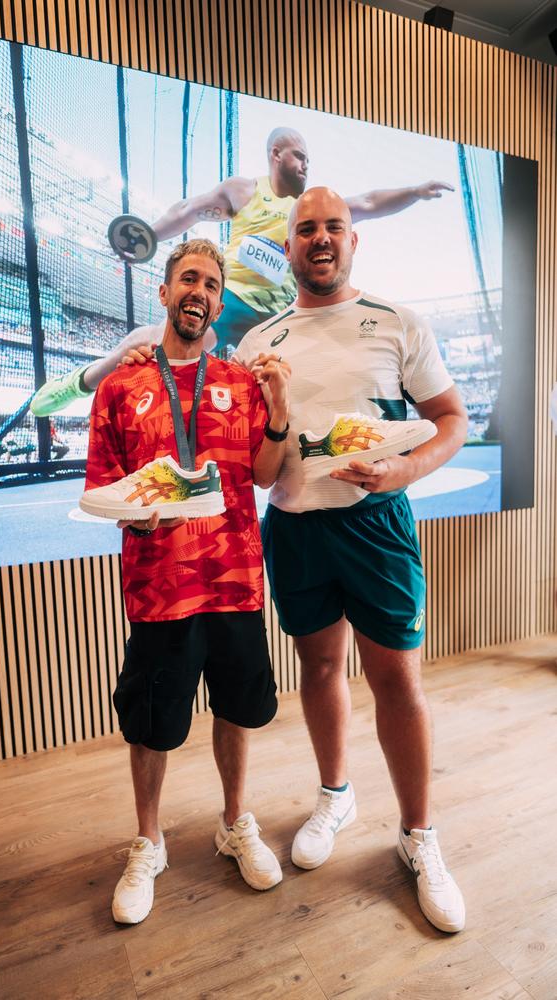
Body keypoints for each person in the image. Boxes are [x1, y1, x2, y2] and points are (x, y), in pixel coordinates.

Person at [234, 186, 469, 934]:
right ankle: (335, 793)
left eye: (335, 226)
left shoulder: (399, 323)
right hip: (296, 528)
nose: (322, 238)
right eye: (308, 229)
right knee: (321, 667)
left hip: (377, 524)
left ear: (354, 240)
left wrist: (405, 471)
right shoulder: (258, 343)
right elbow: (261, 471)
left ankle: (419, 837)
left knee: (397, 675)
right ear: (291, 245)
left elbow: (450, 419)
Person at [83, 238, 291, 925]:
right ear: (165, 292)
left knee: (236, 706)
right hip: (158, 587)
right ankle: (149, 839)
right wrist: (135, 516)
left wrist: (280, 407)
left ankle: (234, 822)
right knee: (151, 722)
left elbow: (264, 474)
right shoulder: (121, 387)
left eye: (211, 283)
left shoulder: (237, 380)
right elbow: (103, 488)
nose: (200, 292)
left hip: (234, 580)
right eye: (188, 279)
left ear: (219, 301)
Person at [30, 127, 452, 416]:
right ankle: (80, 382)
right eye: (300, 156)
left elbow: (370, 202)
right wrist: (149, 236)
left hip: (281, 317)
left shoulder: (311, 207)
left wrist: (414, 192)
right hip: (233, 304)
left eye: (309, 158)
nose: (307, 164)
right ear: (277, 155)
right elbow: (190, 209)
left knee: (311, 382)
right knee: (156, 343)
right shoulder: (245, 191)